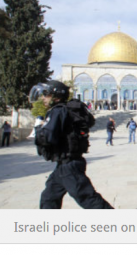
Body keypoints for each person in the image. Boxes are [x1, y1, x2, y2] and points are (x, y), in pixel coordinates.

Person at [28, 80, 113, 209]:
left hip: (69, 166)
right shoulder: (66, 110)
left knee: (88, 198)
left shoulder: (57, 111)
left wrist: (38, 129)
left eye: (46, 95)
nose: (43, 98)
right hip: (64, 164)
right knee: (49, 197)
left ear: (55, 97)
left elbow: (48, 137)